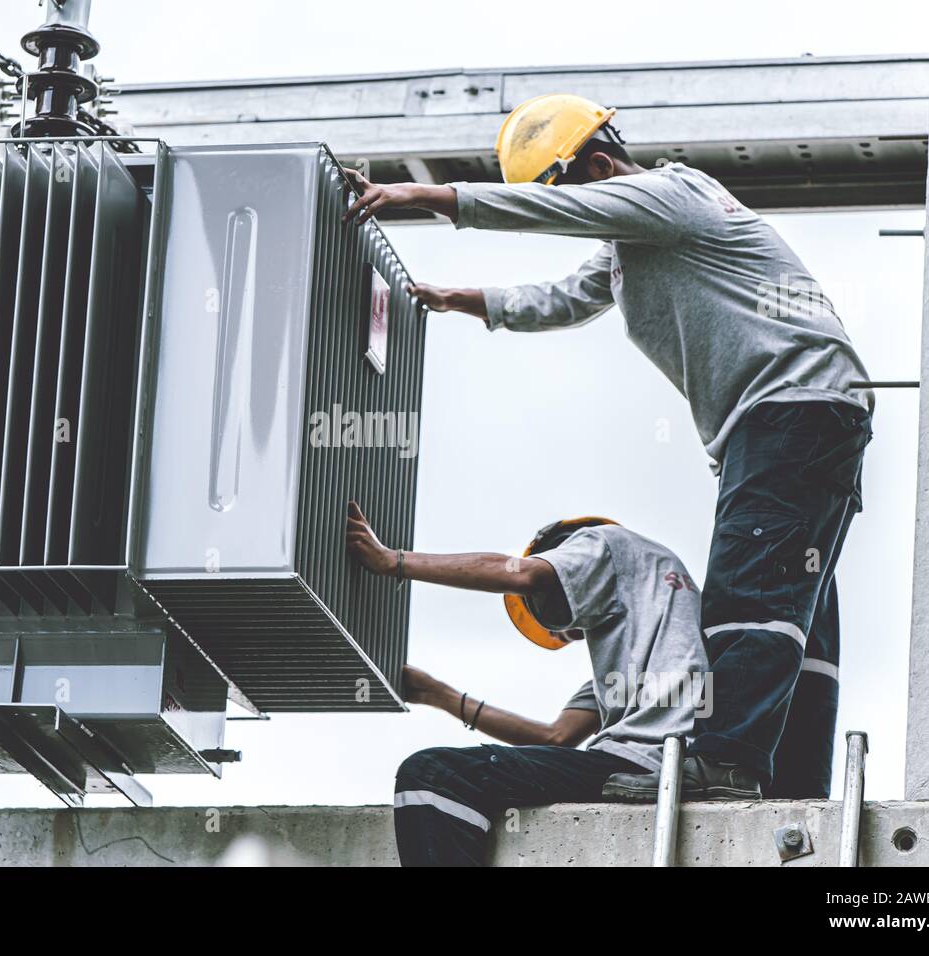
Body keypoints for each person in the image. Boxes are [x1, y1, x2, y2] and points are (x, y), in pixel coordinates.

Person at [343, 93, 872, 801]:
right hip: (796, 418)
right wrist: (455, 299)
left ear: (599, 163)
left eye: (569, 195)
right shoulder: (633, 248)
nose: (577, 215)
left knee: (749, 597)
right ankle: (792, 786)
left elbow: (554, 215)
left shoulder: (673, 195)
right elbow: (561, 299)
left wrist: (421, 194)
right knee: (791, 607)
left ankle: (729, 761)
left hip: (793, 409)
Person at [346, 501, 710, 866]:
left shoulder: (606, 541)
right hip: (652, 763)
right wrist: (440, 695)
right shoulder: (654, 649)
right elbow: (556, 737)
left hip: (649, 764)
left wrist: (392, 561)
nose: (575, 635)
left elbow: (523, 575)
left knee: (433, 774)